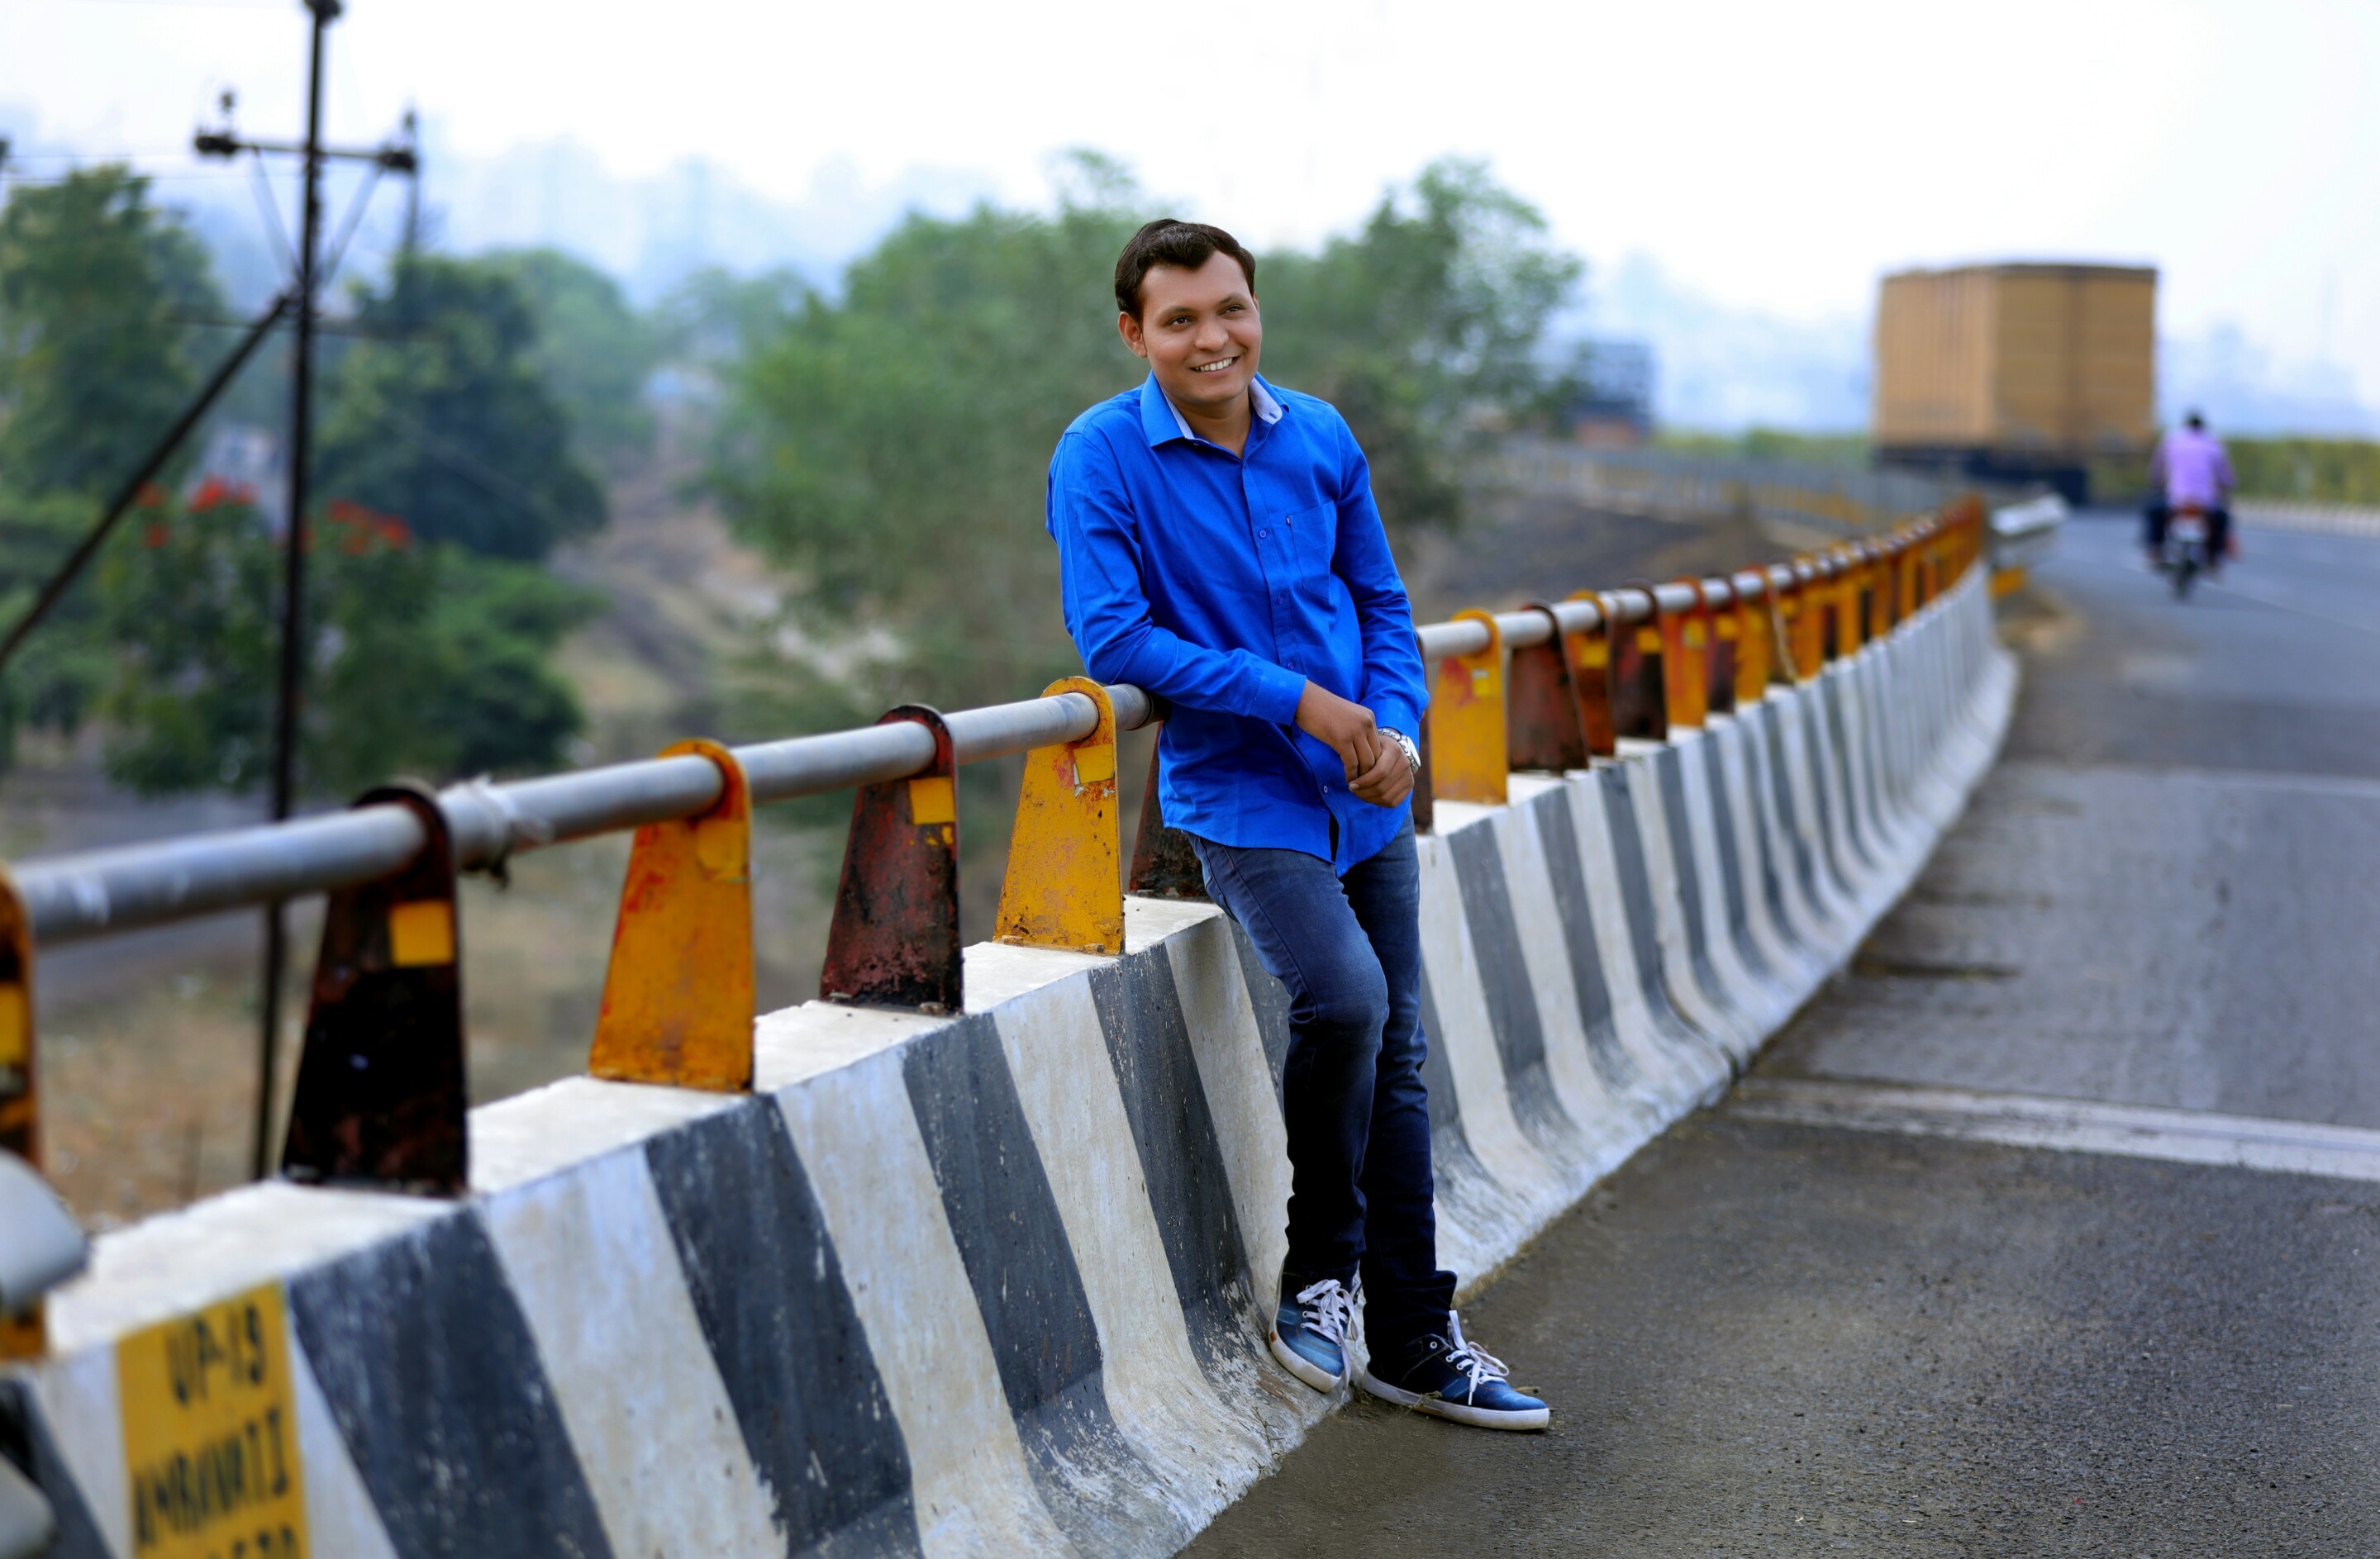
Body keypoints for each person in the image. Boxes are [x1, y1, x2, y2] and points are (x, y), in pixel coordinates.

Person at [1043, 218, 1548, 1431]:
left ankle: (1415, 1338)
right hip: (1243, 793)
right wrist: (1300, 702)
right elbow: (1115, 641)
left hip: (1366, 792)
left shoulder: (1318, 433)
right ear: (1136, 334)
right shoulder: (1100, 454)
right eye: (1180, 320)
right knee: (1349, 999)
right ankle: (1320, 1273)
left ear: (1255, 309)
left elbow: (1380, 602)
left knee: (1399, 1049)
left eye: (1231, 309)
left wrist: (1396, 730)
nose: (1212, 337)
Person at [2144, 411, 2235, 572]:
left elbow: (2157, 468)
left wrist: (2155, 482)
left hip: (2177, 499)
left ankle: (2156, 549)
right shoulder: (2213, 442)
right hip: (2205, 501)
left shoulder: (2172, 439)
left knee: (2153, 512)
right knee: (2222, 519)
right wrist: (2227, 487)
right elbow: (2225, 475)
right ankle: (2213, 558)